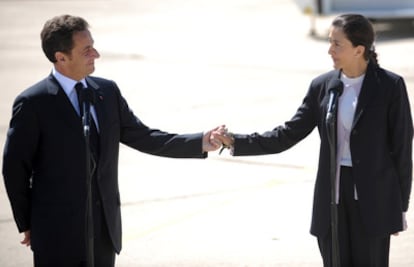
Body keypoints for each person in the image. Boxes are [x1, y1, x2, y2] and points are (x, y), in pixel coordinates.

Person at [2, 14, 224, 267]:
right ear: (61, 57)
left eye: (93, 46)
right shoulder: (33, 103)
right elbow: (14, 168)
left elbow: (144, 136)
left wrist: (200, 142)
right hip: (56, 232)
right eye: (86, 50)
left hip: (104, 230)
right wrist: (28, 222)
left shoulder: (106, 91)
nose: (95, 54)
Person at [213, 14, 413, 266]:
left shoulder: (389, 86)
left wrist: (399, 206)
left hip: (373, 202)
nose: (330, 50)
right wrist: (235, 141)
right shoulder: (323, 86)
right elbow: (287, 134)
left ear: (359, 49)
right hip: (331, 200)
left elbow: (402, 150)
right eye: (330, 42)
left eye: (337, 44)